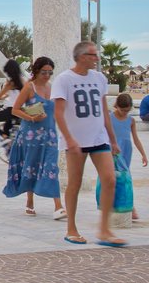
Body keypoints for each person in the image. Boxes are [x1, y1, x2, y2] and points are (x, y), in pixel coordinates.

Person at [52, 40, 125, 248]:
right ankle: (71, 229)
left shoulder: (99, 78)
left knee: (110, 179)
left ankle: (104, 229)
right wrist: (69, 138)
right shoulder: (64, 80)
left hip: (98, 138)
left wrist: (112, 139)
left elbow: (104, 111)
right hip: (75, 141)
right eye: (93, 55)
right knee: (74, 183)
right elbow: (58, 112)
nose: (97, 58)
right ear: (82, 56)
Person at [3, 56, 65, 220]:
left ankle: (58, 206)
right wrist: (31, 117)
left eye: (50, 72)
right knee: (31, 166)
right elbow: (15, 110)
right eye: (44, 72)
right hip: (31, 135)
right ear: (36, 71)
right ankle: (29, 202)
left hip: (50, 135)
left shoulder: (52, 88)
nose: (47, 75)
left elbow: (57, 111)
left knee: (52, 168)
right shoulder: (29, 88)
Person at [111, 93, 149, 220]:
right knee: (113, 178)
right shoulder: (110, 118)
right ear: (117, 106)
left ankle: (130, 206)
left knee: (125, 178)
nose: (124, 113)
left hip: (126, 151)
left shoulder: (130, 120)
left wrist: (143, 154)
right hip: (112, 151)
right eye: (122, 110)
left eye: (127, 110)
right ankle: (115, 205)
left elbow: (136, 139)